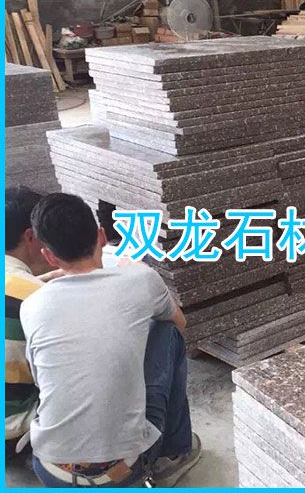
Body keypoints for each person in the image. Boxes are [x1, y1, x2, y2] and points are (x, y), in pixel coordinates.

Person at [20, 193, 201, 487]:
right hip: (120, 473)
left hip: (50, 470)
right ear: (102, 237)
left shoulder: (32, 305)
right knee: (167, 334)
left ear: (49, 256)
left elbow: (40, 379)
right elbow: (180, 323)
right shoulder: (141, 279)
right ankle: (174, 452)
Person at [5, 187, 56, 456]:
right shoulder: (37, 298)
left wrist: (36, 282)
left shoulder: (24, 289)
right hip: (14, 431)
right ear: (30, 236)